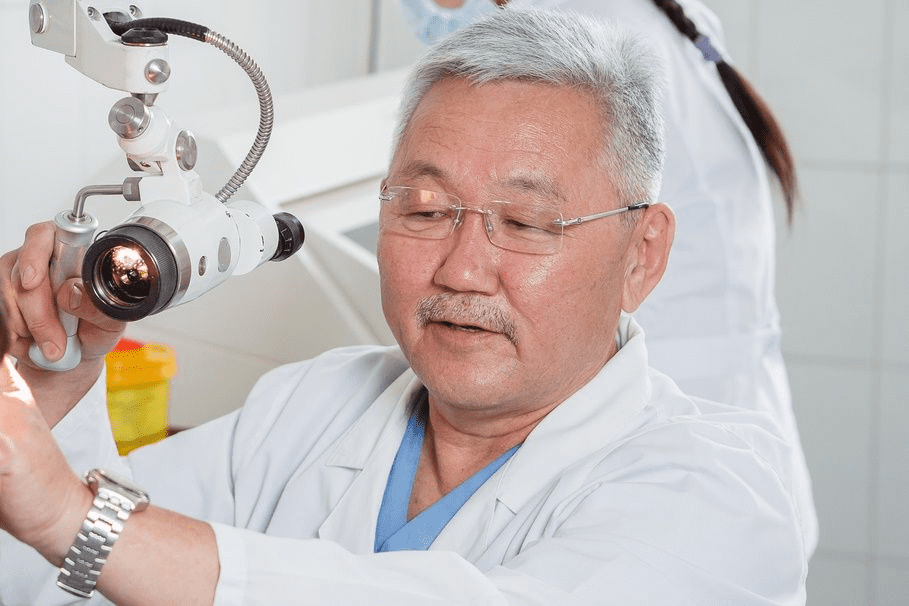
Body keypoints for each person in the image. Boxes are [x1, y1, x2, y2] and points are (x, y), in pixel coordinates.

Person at [0, 9, 808, 605]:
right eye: (424, 210)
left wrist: (78, 517)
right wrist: (51, 391)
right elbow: (69, 578)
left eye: (526, 223)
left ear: (642, 255)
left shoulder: (723, 496)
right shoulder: (311, 405)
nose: (462, 268)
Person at [398, 0, 818, 556]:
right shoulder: (651, 18)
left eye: (523, 221)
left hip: (668, 463)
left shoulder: (589, 43)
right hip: (736, 433)